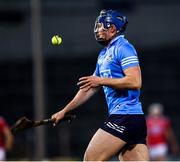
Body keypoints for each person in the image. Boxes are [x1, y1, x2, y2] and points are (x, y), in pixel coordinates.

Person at [52, 9, 149, 161]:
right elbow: (90, 86)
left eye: (101, 26)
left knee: (91, 159)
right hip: (131, 119)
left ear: (112, 28)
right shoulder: (103, 54)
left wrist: (101, 80)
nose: (97, 30)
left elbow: (135, 81)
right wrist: (64, 110)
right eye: (96, 26)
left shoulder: (124, 48)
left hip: (125, 116)